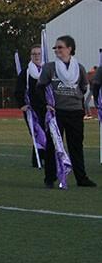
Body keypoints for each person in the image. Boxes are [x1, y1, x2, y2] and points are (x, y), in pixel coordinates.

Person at [38, 35, 96, 188]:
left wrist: (74, 98)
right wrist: (46, 104)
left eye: (60, 47)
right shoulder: (49, 68)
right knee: (52, 145)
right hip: (56, 113)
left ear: (69, 49)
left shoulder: (80, 68)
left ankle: (81, 178)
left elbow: (83, 87)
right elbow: (40, 87)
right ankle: (50, 179)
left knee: (76, 146)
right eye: (55, 47)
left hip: (75, 112)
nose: (57, 50)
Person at [13, 45, 46, 167]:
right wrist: (22, 104)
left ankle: (44, 156)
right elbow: (19, 89)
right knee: (36, 132)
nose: (36, 56)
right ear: (31, 56)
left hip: (46, 107)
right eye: (34, 54)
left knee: (46, 131)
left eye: (38, 54)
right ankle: (37, 159)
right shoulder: (26, 71)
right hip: (31, 108)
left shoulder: (46, 70)